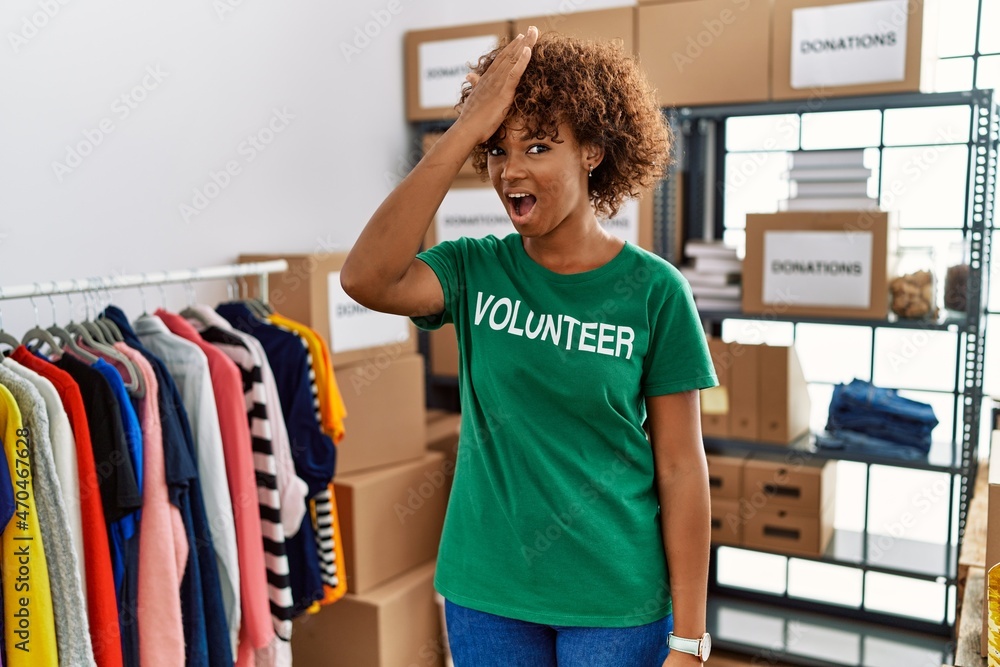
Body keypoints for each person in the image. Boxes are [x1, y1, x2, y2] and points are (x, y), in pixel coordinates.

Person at [341, 27, 717, 667]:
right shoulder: (474, 270)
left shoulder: (656, 292)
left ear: (594, 152)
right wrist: (464, 129)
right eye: (496, 151)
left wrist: (690, 637)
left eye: (539, 146)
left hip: (614, 600)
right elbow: (366, 278)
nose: (511, 171)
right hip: (486, 592)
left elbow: (682, 469)